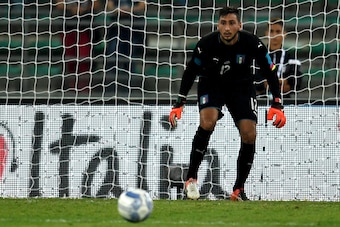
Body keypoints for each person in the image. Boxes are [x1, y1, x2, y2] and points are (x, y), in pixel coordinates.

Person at [169, 6, 286, 201]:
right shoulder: (205, 45)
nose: (227, 28)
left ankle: (239, 189)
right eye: (223, 23)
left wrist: (277, 104)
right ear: (218, 25)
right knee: (208, 121)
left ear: (239, 25)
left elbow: (269, 70)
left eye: (232, 23)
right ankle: (191, 178)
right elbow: (190, 72)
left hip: (241, 87)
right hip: (212, 85)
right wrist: (179, 103)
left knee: (250, 134)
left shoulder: (252, 43)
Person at [55, 0, 100, 92]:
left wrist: (83, 9)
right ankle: (72, 89)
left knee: (84, 59)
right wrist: (72, 8)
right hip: (67, 27)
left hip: (85, 28)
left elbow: (96, 5)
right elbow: (58, 5)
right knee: (70, 60)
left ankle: (84, 90)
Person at [255, 18, 302, 98]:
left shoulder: (291, 57)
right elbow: (253, 77)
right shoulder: (258, 55)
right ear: (266, 33)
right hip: (261, 101)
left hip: (285, 102)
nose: (274, 35)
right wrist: (264, 84)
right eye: (271, 31)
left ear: (284, 34)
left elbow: (297, 79)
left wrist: (287, 83)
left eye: (278, 32)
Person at [105, 0, 146, 73]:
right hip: (116, 29)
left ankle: (131, 81)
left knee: (131, 59)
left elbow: (142, 6)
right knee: (113, 55)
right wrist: (118, 10)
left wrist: (129, 10)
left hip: (134, 29)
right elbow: (109, 6)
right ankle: (111, 82)